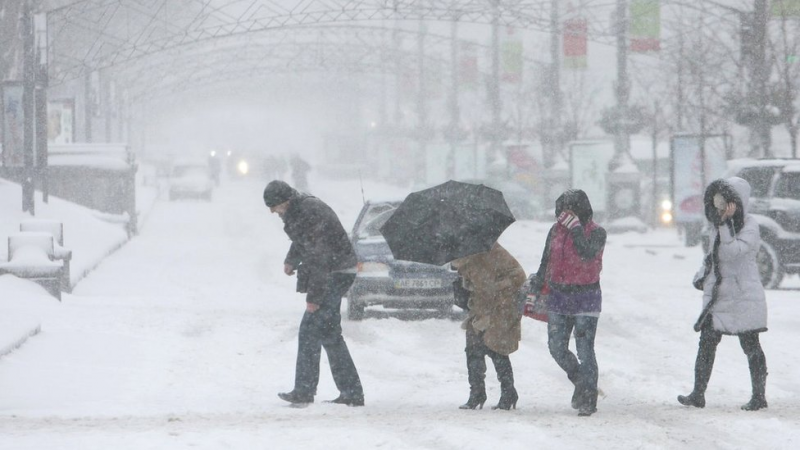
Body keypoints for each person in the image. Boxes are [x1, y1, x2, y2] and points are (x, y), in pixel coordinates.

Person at [264, 180, 365, 407]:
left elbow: (320, 256)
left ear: (286, 201)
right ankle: (351, 392)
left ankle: (305, 391)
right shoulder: (299, 211)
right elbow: (303, 241)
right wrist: (291, 260)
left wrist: (314, 298)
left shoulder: (310, 211)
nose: (273, 212)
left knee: (310, 330)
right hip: (335, 270)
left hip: (335, 272)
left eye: (275, 207)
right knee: (329, 334)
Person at [678, 177, 768, 411]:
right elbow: (713, 256)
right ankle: (698, 394)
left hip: (743, 296)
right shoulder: (717, 226)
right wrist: (701, 275)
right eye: (716, 205)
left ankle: (759, 396)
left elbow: (732, 253)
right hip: (719, 297)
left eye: (724, 204)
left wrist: (725, 225)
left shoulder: (750, 225)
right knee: (706, 343)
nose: (719, 209)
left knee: (750, 344)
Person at [529, 189, 606, 417]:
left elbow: (586, 253)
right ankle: (583, 384)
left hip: (586, 298)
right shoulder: (554, 231)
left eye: (571, 209)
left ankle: (588, 400)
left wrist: (575, 229)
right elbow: (547, 261)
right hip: (558, 296)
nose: (566, 214)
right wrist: (536, 285)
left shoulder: (597, 232)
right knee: (556, 348)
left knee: (585, 350)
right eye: (563, 209)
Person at [451, 242, 526, 411]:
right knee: (474, 347)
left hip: (502, 304)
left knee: (494, 347)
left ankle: (507, 393)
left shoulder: (478, 254)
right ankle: (478, 393)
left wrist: (480, 315)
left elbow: (486, 288)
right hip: (489, 302)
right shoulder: (468, 256)